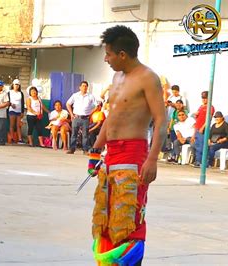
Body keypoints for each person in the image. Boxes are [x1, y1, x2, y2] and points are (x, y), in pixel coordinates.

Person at [90, 25, 167, 265]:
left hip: (133, 156)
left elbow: (161, 119)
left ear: (122, 54)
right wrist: (95, 150)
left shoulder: (148, 78)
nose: (106, 59)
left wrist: (152, 159)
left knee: (128, 219)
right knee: (105, 216)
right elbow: (111, 116)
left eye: (109, 54)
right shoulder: (116, 77)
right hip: (110, 155)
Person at [66, 81, 97, 154]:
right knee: (74, 134)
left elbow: (96, 106)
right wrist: (71, 114)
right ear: (79, 87)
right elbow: (68, 104)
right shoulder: (75, 95)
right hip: (76, 117)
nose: (84, 87)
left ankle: (85, 150)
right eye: (83, 86)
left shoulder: (91, 96)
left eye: (86, 86)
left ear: (87, 87)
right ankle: (72, 149)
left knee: (85, 135)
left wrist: (90, 114)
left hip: (85, 118)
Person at [191, 91, 215, 167]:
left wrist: (202, 127)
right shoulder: (201, 107)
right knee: (198, 146)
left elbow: (209, 119)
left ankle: (203, 162)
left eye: (206, 98)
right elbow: (197, 119)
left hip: (203, 129)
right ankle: (198, 161)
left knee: (202, 146)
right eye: (203, 98)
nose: (204, 99)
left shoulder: (210, 107)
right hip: (197, 129)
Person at [8, 79, 25, 144]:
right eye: (15, 84)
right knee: (12, 125)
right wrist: (11, 104)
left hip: (19, 111)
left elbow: (22, 102)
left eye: (18, 85)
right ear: (13, 85)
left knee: (18, 125)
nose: (16, 86)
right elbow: (7, 101)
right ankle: (12, 138)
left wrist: (22, 112)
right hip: (12, 110)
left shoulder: (21, 93)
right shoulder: (9, 92)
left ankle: (20, 139)